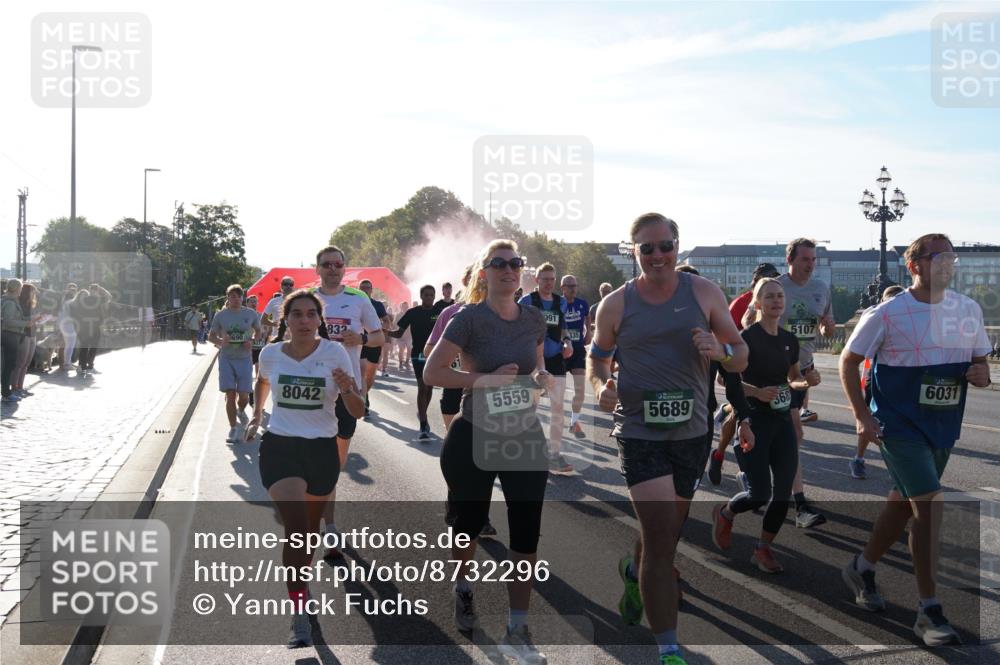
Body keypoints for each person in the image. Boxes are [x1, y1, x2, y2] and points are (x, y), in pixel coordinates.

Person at [588, 213, 748, 665]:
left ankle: (635, 574)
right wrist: (602, 386)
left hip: (692, 432)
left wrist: (721, 352)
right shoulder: (616, 305)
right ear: (632, 251)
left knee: (665, 536)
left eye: (666, 246)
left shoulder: (703, 293)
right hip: (639, 432)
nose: (658, 256)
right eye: (647, 248)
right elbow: (597, 359)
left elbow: (741, 355)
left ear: (678, 246)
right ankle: (670, 650)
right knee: (661, 540)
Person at [839, 234, 991, 647]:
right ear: (915, 266)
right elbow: (849, 361)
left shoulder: (969, 310)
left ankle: (862, 567)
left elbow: (980, 364)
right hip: (897, 424)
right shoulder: (888, 313)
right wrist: (861, 416)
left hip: (942, 425)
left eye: (951, 258)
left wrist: (981, 374)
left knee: (903, 503)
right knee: (928, 502)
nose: (946, 264)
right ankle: (929, 610)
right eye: (937, 257)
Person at [424, 239, 551, 664]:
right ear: (484, 273)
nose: (508, 269)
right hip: (474, 434)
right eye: (498, 264)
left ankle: (518, 626)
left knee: (526, 531)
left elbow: (536, 369)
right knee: (470, 525)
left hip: (523, 435)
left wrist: (537, 383)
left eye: (514, 263)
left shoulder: (534, 318)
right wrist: (486, 380)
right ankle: (463, 587)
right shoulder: (467, 319)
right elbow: (433, 371)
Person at [244, 289, 363, 648]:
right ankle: (299, 611)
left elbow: (357, 410)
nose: (305, 321)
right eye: (297, 314)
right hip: (280, 447)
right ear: (286, 319)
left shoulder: (334, 353)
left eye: (312, 314)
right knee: (296, 530)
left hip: (321, 451)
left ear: (319, 320)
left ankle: (301, 582)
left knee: (309, 536)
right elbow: (263, 381)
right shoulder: (270, 354)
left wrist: (347, 390)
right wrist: (257, 415)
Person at [710, 277, 815, 573]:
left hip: (782, 423)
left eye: (780, 296)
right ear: (757, 303)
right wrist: (756, 392)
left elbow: (792, 377)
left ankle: (763, 548)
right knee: (760, 494)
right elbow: (726, 382)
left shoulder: (789, 340)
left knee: (782, 493)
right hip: (752, 422)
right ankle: (727, 513)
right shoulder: (745, 339)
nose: (776, 301)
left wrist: (805, 381)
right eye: (769, 297)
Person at [742, 239, 833, 528]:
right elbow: (747, 322)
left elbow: (826, 324)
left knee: (791, 435)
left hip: (800, 370)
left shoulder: (820, 288)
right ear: (790, 259)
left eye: (814, 259)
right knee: (791, 432)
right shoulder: (774, 287)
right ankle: (798, 504)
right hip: (770, 374)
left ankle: (761, 476)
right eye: (805, 258)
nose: (810, 264)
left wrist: (826, 328)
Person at [310, 246, 385, 560]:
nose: (332, 268)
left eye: (337, 264)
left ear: (344, 268)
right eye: (326, 264)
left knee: (333, 466)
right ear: (318, 268)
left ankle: (325, 522)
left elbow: (380, 337)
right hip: (314, 390)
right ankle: (329, 530)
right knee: (319, 465)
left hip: (348, 390)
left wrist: (362, 340)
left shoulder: (358, 299)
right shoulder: (307, 300)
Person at [707, 262, 781, 486]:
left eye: (775, 280)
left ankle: (719, 454)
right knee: (745, 414)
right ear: (755, 285)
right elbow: (723, 339)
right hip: (740, 367)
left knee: (744, 414)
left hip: (767, 368)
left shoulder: (779, 302)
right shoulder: (739, 305)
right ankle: (746, 472)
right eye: (765, 281)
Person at [520, 263, 575, 475]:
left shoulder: (561, 302)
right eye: (544, 279)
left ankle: (554, 454)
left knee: (558, 408)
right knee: (529, 408)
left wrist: (568, 341)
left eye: (552, 279)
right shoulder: (527, 301)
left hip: (554, 359)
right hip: (532, 361)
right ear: (536, 280)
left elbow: (563, 328)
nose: (548, 283)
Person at [850, 284, 905, 479]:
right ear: (883, 302)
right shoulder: (876, 318)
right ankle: (858, 458)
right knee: (869, 419)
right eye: (890, 302)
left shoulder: (909, 322)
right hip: (874, 378)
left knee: (896, 422)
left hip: (900, 381)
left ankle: (897, 465)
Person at [209, 284, 261, 443]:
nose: (236, 299)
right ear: (228, 298)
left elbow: (259, 331)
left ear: (242, 298)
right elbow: (211, 336)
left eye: (238, 296)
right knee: (230, 394)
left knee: (244, 396)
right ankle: (233, 429)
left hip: (244, 358)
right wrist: (220, 341)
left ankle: (240, 409)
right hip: (227, 358)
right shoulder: (221, 315)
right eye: (232, 296)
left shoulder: (250, 314)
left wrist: (252, 341)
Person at [387, 284, 439, 440]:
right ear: (421, 296)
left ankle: (422, 412)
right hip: (418, 354)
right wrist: (385, 332)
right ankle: (423, 424)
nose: (429, 297)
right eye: (426, 295)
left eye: (432, 295)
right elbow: (398, 333)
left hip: (435, 355)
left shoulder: (439, 313)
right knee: (422, 386)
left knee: (429, 387)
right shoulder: (412, 313)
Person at [357, 279, 394, 418]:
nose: (365, 290)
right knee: (361, 371)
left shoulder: (377, 305)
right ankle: (364, 402)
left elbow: (387, 321)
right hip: (359, 342)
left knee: (371, 374)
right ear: (358, 289)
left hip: (374, 342)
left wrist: (383, 326)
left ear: (371, 290)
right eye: (362, 287)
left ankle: (365, 394)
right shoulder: (355, 302)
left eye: (367, 287)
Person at [561, 274, 590, 439]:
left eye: (575, 285)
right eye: (569, 285)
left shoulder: (582, 303)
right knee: (558, 390)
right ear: (563, 287)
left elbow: (588, 316)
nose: (573, 288)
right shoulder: (558, 304)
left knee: (580, 390)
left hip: (578, 349)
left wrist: (589, 332)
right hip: (561, 351)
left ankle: (574, 422)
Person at [2, 280, 36, 403]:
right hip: (10, 336)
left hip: (11, 335)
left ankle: (7, 392)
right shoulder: (10, 302)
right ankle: (6, 393)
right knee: (9, 366)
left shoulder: (9, 300)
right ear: (17, 289)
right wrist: (26, 323)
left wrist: (31, 319)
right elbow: (8, 321)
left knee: (9, 365)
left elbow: (15, 319)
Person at [74, 284, 111, 375]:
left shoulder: (83, 300)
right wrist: (102, 289)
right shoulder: (98, 299)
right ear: (97, 291)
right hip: (94, 326)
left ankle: (81, 367)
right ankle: (90, 366)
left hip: (84, 327)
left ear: (89, 290)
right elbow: (109, 297)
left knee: (84, 347)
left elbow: (77, 313)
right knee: (93, 347)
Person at [12, 284, 39, 397]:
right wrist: (33, 319)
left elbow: (31, 320)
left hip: (32, 334)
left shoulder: (31, 304)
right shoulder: (20, 304)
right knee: (20, 363)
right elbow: (20, 320)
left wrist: (38, 319)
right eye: (33, 291)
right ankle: (14, 387)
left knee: (26, 363)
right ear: (26, 292)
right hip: (24, 335)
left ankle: (20, 387)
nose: (34, 294)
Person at [57, 284, 79, 370]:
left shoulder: (65, 298)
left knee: (65, 344)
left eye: (75, 290)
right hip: (67, 323)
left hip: (63, 323)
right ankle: (65, 364)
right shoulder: (68, 298)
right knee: (67, 344)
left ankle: (65, 363)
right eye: (71, 289)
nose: (73, 291)